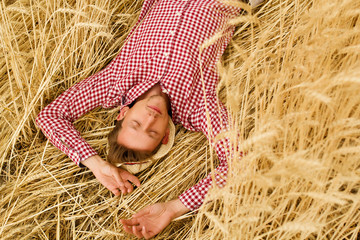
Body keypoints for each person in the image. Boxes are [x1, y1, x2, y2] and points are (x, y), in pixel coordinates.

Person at [36, 0, 258, 238]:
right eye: (152, 132)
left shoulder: (116, 82)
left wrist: (95, 165)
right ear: (165, 137)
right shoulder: (198, 107)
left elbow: (50, 115)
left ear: (123, 113)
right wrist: (173, 208)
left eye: (136, 124)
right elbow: (239, 162)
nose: (150, 118)